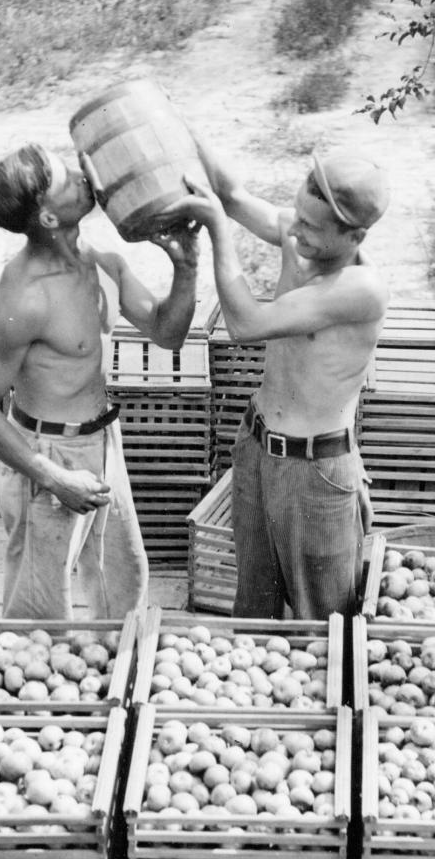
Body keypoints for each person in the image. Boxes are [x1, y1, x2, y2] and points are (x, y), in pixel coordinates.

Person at [0, 142, 200, 620]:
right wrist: (55, 477)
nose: (82, 175)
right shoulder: (25, 297)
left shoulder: (100, 263)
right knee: (39, 616)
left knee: (124, 582)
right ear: (49, 218)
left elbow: (168, 334)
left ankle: (118, 681)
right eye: (66, 179)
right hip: (45, 459)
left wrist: (186, 267)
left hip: (103, 445)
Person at [165, 143, 389, 621]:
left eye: (311, 227)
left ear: (356, 235)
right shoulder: (303, 233)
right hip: (258, 446)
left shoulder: (359, 289)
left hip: (316, 469)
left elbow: (246, 324)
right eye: (298, 217)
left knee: (323, 620)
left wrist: (219, 232)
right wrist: (175, 123)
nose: (296, 230)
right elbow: (231, 192)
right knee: (254, 606)